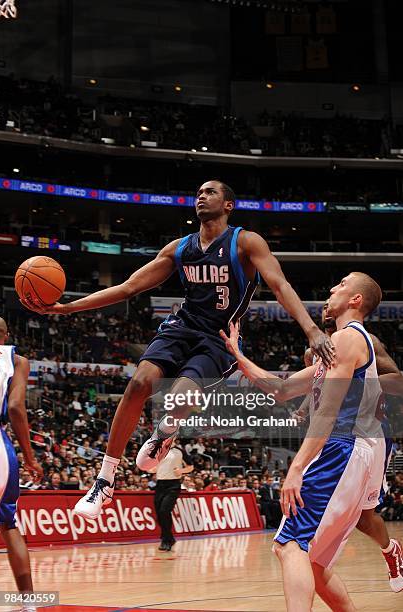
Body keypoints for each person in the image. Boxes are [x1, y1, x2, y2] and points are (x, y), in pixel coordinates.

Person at [21, 179, 333, 519]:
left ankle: (165, 431)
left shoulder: (245, 242)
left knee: (180, 396)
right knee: (139, 383)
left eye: (210, 192)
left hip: (219, 338)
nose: (201, 196)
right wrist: (67, 308)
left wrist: (312, 329)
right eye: (198, 192)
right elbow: (127, 288)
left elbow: (280, 284)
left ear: (229, 205)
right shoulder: (180, 248)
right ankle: (105, 480)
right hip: (181, 327)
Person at [221, 272, 397, 611]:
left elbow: (328, 412)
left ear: (356, 300)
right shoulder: (336, 349)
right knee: (313, 564)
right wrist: (238, 356)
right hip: (352, 456)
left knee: (288, 546)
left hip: (340, 450)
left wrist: (297, 467)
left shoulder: (349, 339)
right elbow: (282, 388)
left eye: (342, 285)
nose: (332, 289)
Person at [296, 299, 403, 592]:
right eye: (322, 308)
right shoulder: (314, 353)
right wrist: (305, 408)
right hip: (337, 433)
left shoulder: (364, 341)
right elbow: (320, 388)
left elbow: (397, 378)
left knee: (365, 517)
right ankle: (304, 555)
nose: (326, 307)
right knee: (353, 517)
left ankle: (389, 549)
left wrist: (363, 380)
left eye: (330, 304)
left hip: (370, 431)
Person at [0, 317, 43, 612]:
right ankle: (28, 604)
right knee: (7, 525)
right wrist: (29, 456)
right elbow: (14, 407)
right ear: (6, 335)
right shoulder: (16, 359)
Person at [149, 439, 193, 551]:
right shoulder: (158, 450)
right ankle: (169, 537)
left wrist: (182, 471)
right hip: (160, 484)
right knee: (159, 514)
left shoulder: (179, 451)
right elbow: (153, 465)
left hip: (173, 485)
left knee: (164, 511)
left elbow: (191, 466)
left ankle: (166, 540)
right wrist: (152, 469)